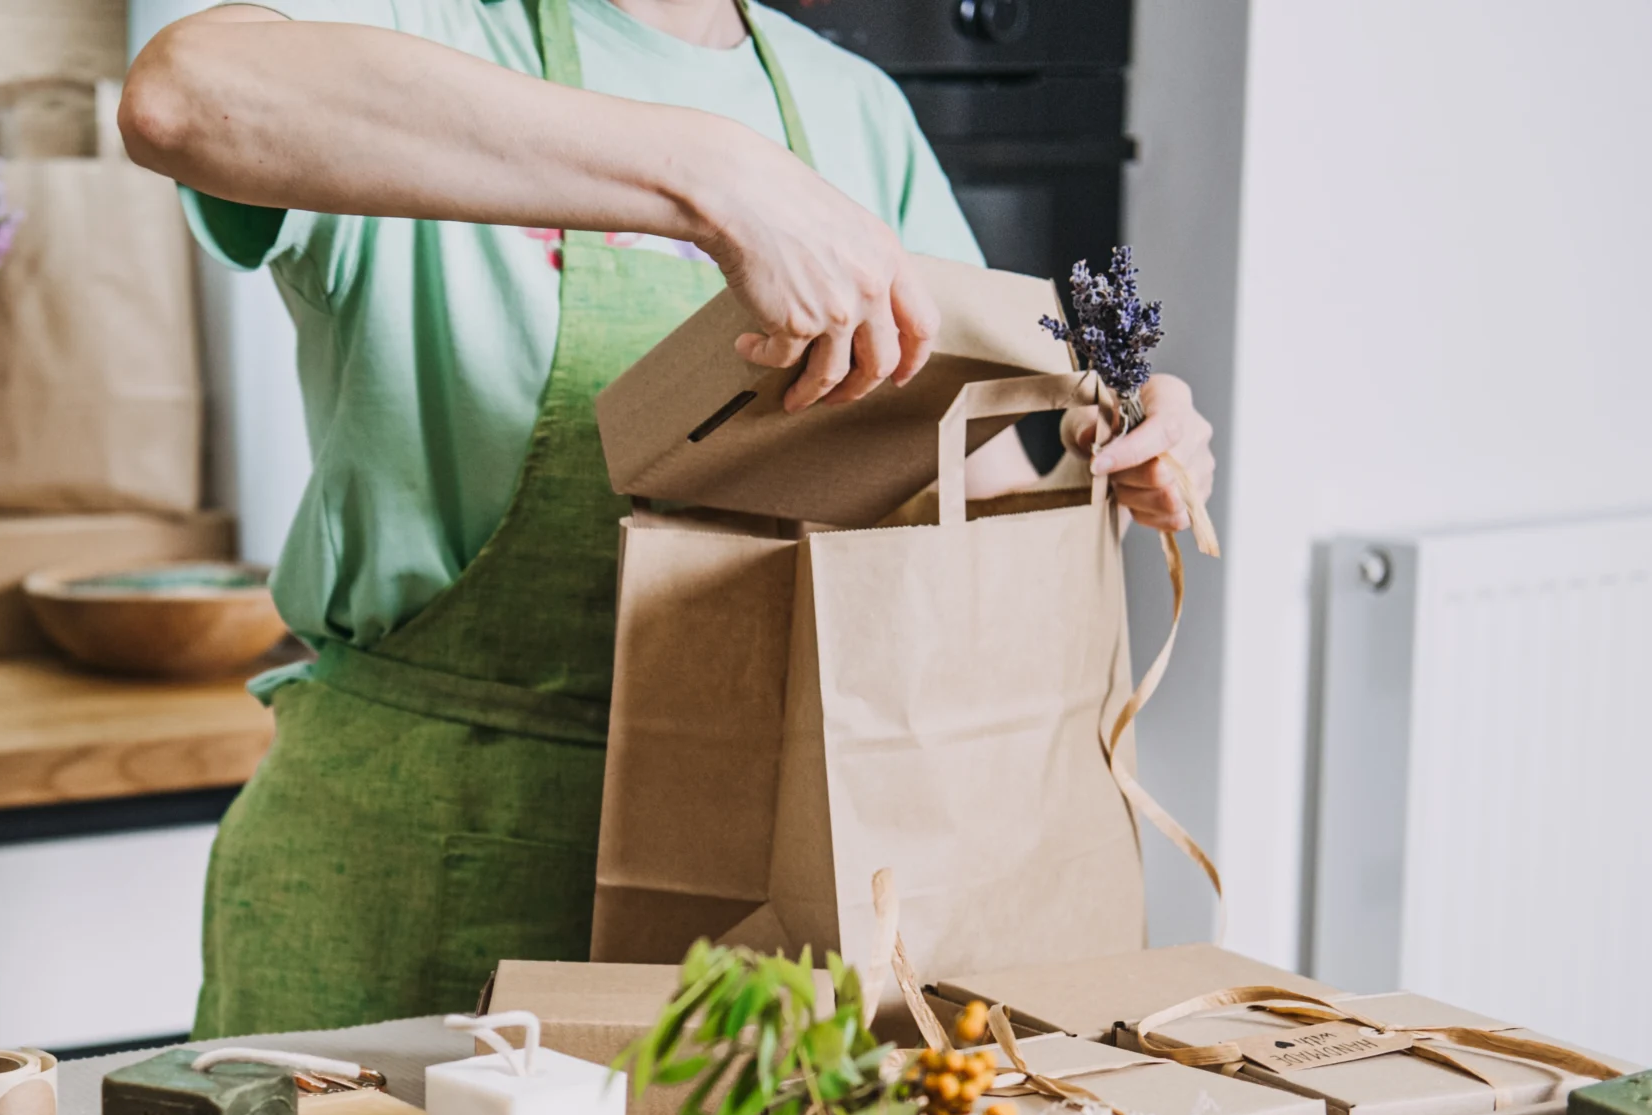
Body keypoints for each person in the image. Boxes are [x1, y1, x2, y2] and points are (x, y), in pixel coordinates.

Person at [121, 0, 1217, 1038]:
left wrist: (1099, 464)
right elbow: (182, 97)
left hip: (752, 902)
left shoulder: (851, 109)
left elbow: (944, 485)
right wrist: (714, 176)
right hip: (416, 870)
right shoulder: (429, 30)